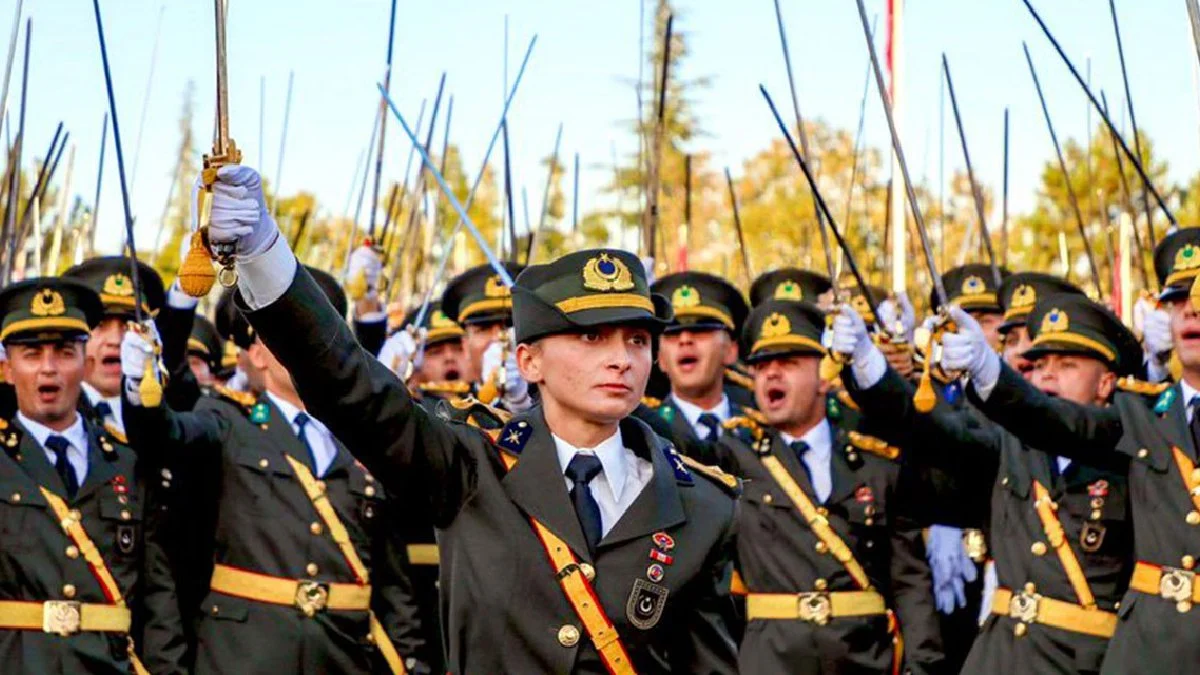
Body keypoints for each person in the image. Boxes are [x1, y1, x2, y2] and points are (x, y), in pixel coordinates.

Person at [211, 163, 741, 674]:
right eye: (590, 337)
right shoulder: (470, 465)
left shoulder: (702, 505)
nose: (621, 358)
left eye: (638, 340)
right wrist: (263, 255)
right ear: (529, 360)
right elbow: (352, 386)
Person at [121, 266, 432, 675]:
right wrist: (136, 385)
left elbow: (393, 582)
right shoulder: (227, 420)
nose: (308, 347)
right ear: (257, 352)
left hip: (344, 657)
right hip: (245, 656)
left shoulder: (365, 437)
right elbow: (161, 434)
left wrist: (412, 661)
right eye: (289, 334)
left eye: (321, 333)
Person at [927, 227, 1200, 674]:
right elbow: (1053, 419)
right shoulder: (1141, 418)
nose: (1191, 308)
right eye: (1177, 299)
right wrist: (984, 371)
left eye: (1067, 364)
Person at [833, 291, 1139, 673]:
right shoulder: (1010, 445)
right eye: (1040, 362)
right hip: (1000, 657)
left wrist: (989, 371)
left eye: (1067, 364)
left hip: (1087, 661)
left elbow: (1048, 417)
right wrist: (869, 369)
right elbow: (933, 430)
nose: (1046, 373)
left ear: (1107, 382)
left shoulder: (1128, 442)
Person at [694, 298, 943, 674]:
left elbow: (909, 581)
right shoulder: (733, 457)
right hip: (772, 661)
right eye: (761, 367)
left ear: (825, 376)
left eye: (789, 363)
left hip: (864, 659)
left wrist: (923, 666)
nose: (772, 375)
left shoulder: (876, 463)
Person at [0, 277, 181, 673]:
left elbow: (157, 599)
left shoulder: (128, 463)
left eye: (65, 352)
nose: (49, 369)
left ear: (86, 362)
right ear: (7, 368)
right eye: (31, 354)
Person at [636, 271, 752, 457]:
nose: (685, 339)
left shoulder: (763, 428)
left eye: (701, 330)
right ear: (661, 359)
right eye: (672, 333)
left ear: (731, 351)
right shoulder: (641, 431)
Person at [61, 256, 166, 441]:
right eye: (99, 325)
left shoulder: (163, 416)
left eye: (129, 325)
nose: (116, 340)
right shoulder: (51, 414)